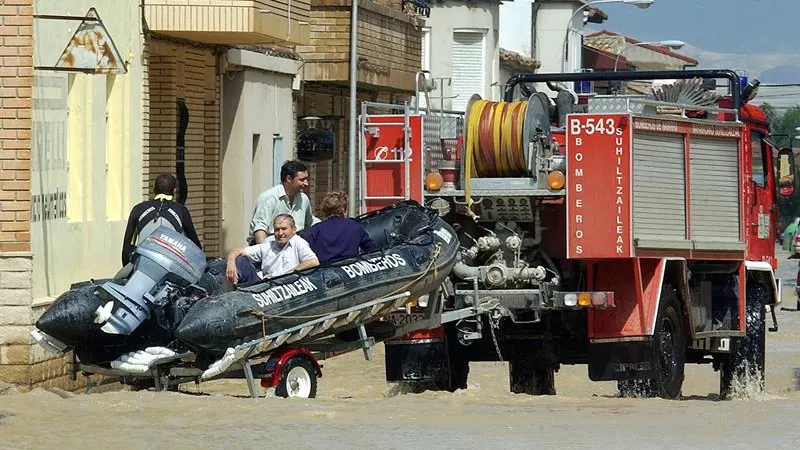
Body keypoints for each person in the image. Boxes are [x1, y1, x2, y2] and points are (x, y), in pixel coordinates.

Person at [122, 173, 201, 266]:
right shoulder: (181, 210)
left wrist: (128, 273)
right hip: (171, 269)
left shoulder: (138, 209)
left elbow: (127, 245)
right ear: (174, 191)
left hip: (142, 267)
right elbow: (195, 246)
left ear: (154, 189)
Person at [227, 214, 319, 285]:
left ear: (294, 230)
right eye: (277, 230)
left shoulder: (299, 242)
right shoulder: (268, 245)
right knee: (240, 260)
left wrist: (291, 273)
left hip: (288, 286)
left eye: (284, 229)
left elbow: (313, 262)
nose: (280, 233)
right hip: (265, 287)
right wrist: (231, 263)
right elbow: (236, 251)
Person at [302, 190, 376, 264]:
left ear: (325, 210)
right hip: (350, 270)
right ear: (344, 210)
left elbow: (304, 251)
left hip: (324, 272)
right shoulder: (355, 226)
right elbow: (372, 250)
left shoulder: (316, 230)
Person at [248, 160, 314, 244]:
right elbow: (260, 228)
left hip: (294, 248)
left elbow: (310, 223)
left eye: (306, 179)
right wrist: (265, 253)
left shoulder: (304, 199)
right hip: (270, 247)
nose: (306, 183)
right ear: (289, 179)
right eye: (302, 179)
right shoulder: (269, 197)